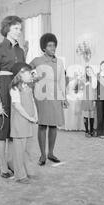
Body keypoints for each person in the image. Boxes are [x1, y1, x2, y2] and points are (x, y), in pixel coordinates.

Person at [0, 16, 26, 178]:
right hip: (3, 88)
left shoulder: (21, 50)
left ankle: (12, 162)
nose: (19, 31)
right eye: (16, 28)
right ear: (7, 29)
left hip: (16, 88)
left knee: (15, 127)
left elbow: (22, 71)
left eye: (20, 28)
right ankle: (2, 165)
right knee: (2, 128)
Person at [30, 33, 68, 166]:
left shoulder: (60, 62)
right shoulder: (36, 60)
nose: (53, 48)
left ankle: (51, 153)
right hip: (42, 96)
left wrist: (64, 97)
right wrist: (33, 80)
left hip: (56, 95)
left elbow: (62, 80)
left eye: (54, 45)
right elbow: (24, 72)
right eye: (50, 45)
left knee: (53, 125)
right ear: (43, 47)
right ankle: (42, 155)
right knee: (42, 125)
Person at [9, 63, 38, 184]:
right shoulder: (14, 88)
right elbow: (18, 106)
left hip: (30, 122)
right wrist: (29, 117)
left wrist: (36, 114)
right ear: (20, 74)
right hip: (20, 122)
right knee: (19, 151)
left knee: (29, 149)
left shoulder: (29, 88)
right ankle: (20, 175)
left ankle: (29, 171)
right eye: (28, 73)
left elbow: (32, 102)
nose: (31, 75)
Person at [81, 65, 97, 137]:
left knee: (92, 115)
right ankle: (86, 131)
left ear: (92, 71)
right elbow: (81, 87)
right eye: (87, 71)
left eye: (90, 70)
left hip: (92, 99)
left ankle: (91, 130)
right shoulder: (83, 79)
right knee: (86, 115)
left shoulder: (94, 78)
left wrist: (93, 76)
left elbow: (94, 86)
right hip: (85, 99)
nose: (88, 72)